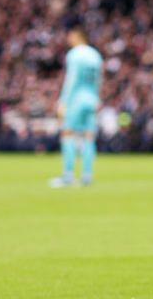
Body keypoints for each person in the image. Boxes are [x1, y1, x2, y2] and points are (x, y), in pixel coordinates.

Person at [51, 27, 103, 188]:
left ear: (78, 37)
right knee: (88, 137)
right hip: (92, 99)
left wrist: (63, 101)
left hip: (76, 100)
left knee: (68, 134)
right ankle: (87, 176)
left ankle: (68, 176)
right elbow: (98, 80)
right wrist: (97, 99)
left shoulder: (74, 54)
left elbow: (71, 79)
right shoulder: (96, 55)